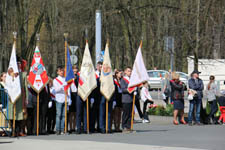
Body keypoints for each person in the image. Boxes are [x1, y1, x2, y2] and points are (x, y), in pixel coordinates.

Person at [53, 66, 71, 135]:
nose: (62, 72)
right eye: (60, 71)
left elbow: (68, 90)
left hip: (65, 98)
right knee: (58, 115)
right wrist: (62, 86)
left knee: (64, 115)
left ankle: (62, 129)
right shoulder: (55, 80)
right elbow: (56, 90)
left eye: (62, 71)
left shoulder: (65, 79)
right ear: (57, 72)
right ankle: (57, 129)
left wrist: (69, 99)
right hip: (59, 99)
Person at [121, 67, 134, 133]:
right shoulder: (123, 80)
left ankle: (128, 127)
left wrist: (135, 90)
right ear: (125, 72)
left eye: (131, 71)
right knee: (125, 114)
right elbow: (123, 89)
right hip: (126, 99)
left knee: (130, 114)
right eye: (128, 71)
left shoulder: (131, 79)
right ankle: (124, 126)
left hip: (131, 99)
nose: (130, 72)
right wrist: (130, 90)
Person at [68, 65, 78, 134]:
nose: (75, 71)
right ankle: (70, 127)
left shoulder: (78, 77)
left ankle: (74, 127)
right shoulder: (69, 77)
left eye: (76, 70)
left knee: (75, 113)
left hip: (76, 94)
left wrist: (76, 79)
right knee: (71, 113)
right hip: (71, 94)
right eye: (74, 70)